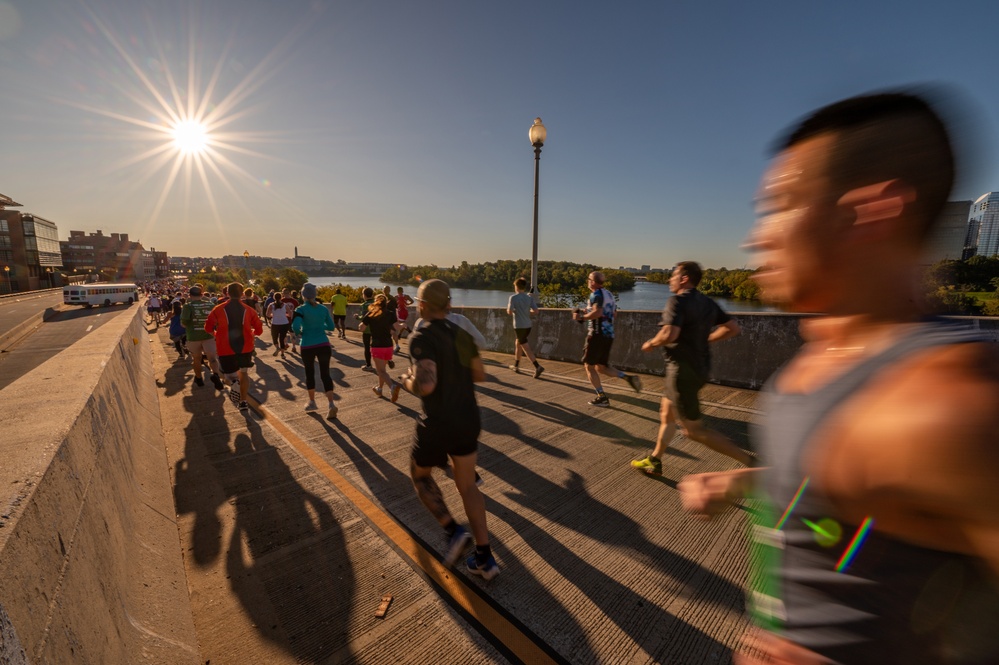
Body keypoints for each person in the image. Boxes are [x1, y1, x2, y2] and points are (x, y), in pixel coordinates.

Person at [680, 91, 999, 664]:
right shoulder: (825, 353)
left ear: (871, 212)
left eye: (781, 204)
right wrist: (747, 483)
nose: (756, 236)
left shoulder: (948, 405)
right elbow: (842, 500)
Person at [397, 279, 498, 579]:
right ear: (449, 304)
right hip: (469, 417)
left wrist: (407, 381)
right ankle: (484, 557)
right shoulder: (462, 334)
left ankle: (454, 532)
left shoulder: (421, 336)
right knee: (467, 485)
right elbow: (479, 374)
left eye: (418, 302)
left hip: (439, 422)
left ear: (424, 306)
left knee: (420, 475)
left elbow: (426, 384)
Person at [630, 261, 749, 476]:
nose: (669, 279)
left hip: (681, 372)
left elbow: (669, 335)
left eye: (673, 275)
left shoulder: (677, 301)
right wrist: (707, 340)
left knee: (693, 431)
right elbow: (733, 328)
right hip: (699, 367)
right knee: (666, 414)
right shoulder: (707, 303)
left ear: (684, 279)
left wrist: (651, 343)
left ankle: (751, 462)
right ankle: (655, 460)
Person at [571, 271, 642, 407]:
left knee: (589, 366)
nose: (587, 281)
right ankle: (628, 378)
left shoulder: (596, 294)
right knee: (601, 367)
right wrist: (587, 311)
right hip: (608, 335)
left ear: (593, 282)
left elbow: (598, 312)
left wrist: (581, 318)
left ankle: (601, 397)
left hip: (596, 335)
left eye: (588, 279)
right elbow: (613, 314)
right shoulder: (608, 294)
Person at [204, 282, 263, 413]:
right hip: (245, 347)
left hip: (225, 347)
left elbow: (208, 327)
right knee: (244, 373)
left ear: (227, 293)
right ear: (242, 294)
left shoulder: (218, 309)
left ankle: (233, 384)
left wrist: (215, 335)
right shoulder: (249, 310)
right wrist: (251, 333)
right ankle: (243, 402)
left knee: (227, 376)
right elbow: (259, 329)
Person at [291, 283, 338, 420]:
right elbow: (331, 326)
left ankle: (312, 402)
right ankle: (331, 404)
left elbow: (295, 326)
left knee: (309, 373)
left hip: (307, 345)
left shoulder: (300, 309)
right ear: (315, 295)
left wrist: (301, 331)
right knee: (325, 374)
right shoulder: (323, 309)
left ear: (302, 295)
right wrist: (319, 326)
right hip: (323, 344)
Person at [359, 293, 402, 402]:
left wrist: (363, 321)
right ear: (386, 302)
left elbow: (362, 328)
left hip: (377, 346)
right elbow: (397, 327)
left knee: (381, 371)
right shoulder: (391, 314)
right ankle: (379, 389)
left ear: (376, 302)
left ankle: (392, 387)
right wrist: (403, 326)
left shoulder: (371, 314)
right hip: (388, 346)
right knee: (382, 370)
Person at [180, 285, 224, 390]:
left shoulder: (187, 306)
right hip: (209, 335)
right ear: (202, 295)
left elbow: (183, 323)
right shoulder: (210, 305)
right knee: (213, 358)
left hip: (193, 336)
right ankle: (216, 375)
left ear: (190, 295)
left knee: (197, 359)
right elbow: (217, 321)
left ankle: (199, 379)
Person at [506, 277, 544, 378]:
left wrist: (514, 311)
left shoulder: (513, 298)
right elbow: (536, 311)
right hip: (528, 326)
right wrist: (527, 312)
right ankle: (516, 365)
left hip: (519, 326)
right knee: (518, 343)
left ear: (517, 287)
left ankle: (537, 366)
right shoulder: (529, 298)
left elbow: (509, 312)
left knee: (526, 348)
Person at [356, 287, 375, 370]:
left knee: (367, 348)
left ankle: (368, 365)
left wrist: (357, 317)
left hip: (367, 329)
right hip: (376, 329)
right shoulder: (376, 303)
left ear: (364, 295)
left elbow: (363, 317)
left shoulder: (363, 305)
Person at [393, 286, 414, 352]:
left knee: (401, 324)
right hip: (405, 311)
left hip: (400, 312)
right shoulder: (406, 296)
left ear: (397, 291)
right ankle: (400, 335)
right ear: (402, 291)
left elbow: (392, 303)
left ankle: (409, 330)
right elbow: (412, 301)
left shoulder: (396, 297)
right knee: (402, 323)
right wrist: (408, 304)